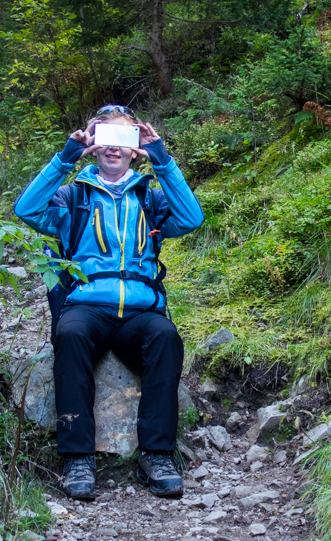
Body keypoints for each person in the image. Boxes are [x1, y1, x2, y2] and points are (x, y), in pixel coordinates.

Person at [14, 105, 204, 500]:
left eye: (124, 139)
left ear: (135, 148)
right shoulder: (72, 198)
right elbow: (26, 210)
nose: (114, 148)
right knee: (70, 335)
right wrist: (67, 155)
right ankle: (77, 456)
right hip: (87, 305)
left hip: (140, 311)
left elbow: (191, 218)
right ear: (95, 143)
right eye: (106, 138)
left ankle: (156, 453)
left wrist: (163, 160)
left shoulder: (151, 199)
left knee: (166, 337)